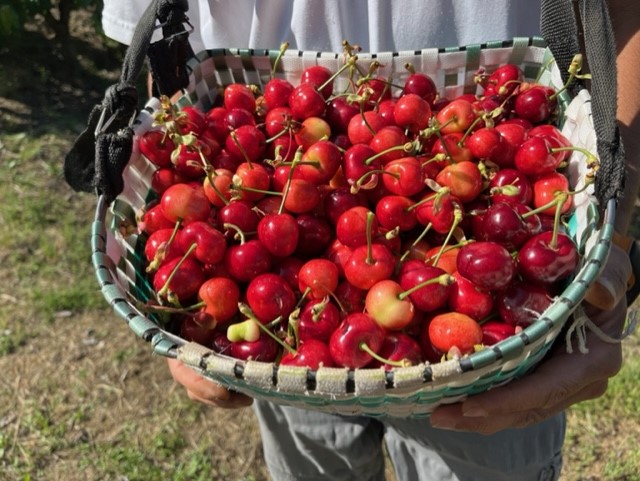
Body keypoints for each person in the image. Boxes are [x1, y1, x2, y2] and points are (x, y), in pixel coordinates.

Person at [102, 1, 640, 480]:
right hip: (289, 360)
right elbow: (164, 50)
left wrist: (611, 235)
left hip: (491, 367)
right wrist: (180, 324)